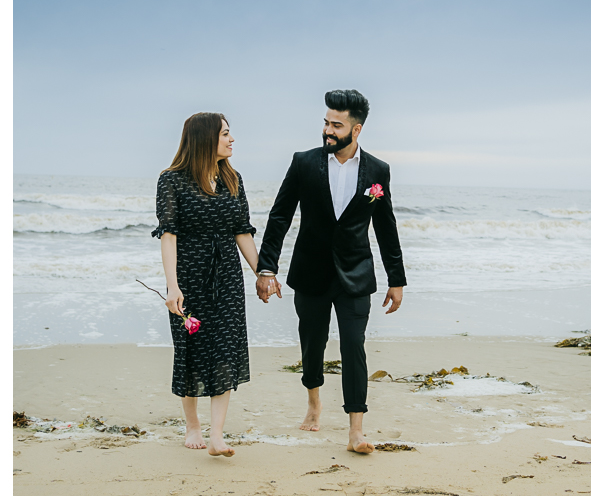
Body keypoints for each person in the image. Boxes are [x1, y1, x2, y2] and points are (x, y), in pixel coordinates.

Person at [255, 89, 406, 455]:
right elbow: (280, 215)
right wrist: (266, 267)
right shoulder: (303, 163)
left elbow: (386, 226)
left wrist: (396, 279)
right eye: (325, 122)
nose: (327, 130)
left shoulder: (377, 172)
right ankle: (313, 400)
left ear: (355, 131)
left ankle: (356, 429)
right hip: (311, 271)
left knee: (354, 345)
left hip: (356, 274)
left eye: (336, 125)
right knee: (313, 341)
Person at [153, 112, 268, 457]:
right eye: (226, 134)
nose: (232, 140)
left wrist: (263, 272)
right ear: (205, 139)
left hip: (227, 278)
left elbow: (242, 230)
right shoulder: (171, 181)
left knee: (225, 350)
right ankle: (192, 425)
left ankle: (217, 434)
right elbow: (168, 234)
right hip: (189, 277)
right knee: (191, 351)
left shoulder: (233, 179)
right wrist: (172, 286)